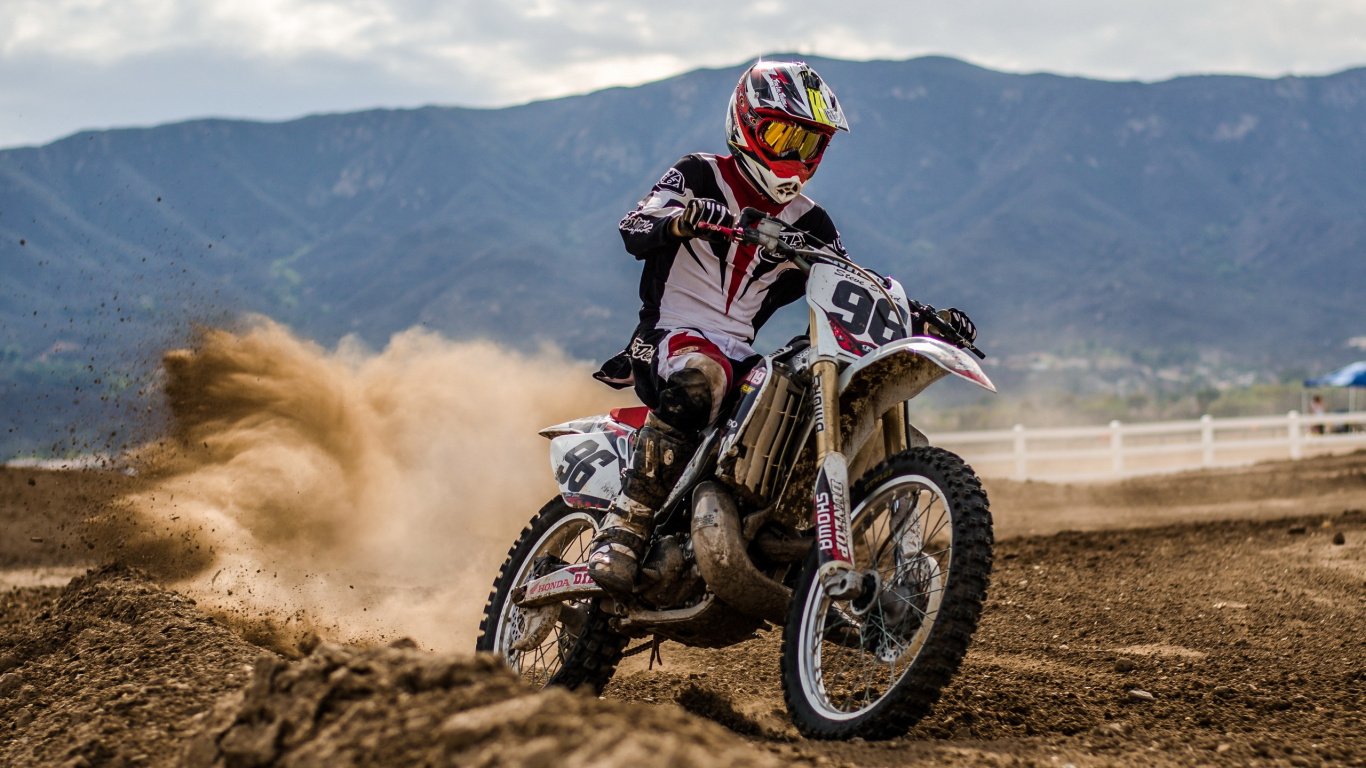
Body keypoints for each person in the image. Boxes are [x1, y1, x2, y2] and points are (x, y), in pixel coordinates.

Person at [585, 60, 977, 597]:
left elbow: (849, 278)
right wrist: (684, 218)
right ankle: (625, 526)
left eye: (810, 144)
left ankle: (781, 536)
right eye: (783, 135)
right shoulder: (701, 174)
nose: (795, 156)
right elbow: (636, 226)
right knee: (703, 375)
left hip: (741, 352)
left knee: (791, 396)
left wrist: (918, 313)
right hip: (671, 337)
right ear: (746, 123)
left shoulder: (811, 221)